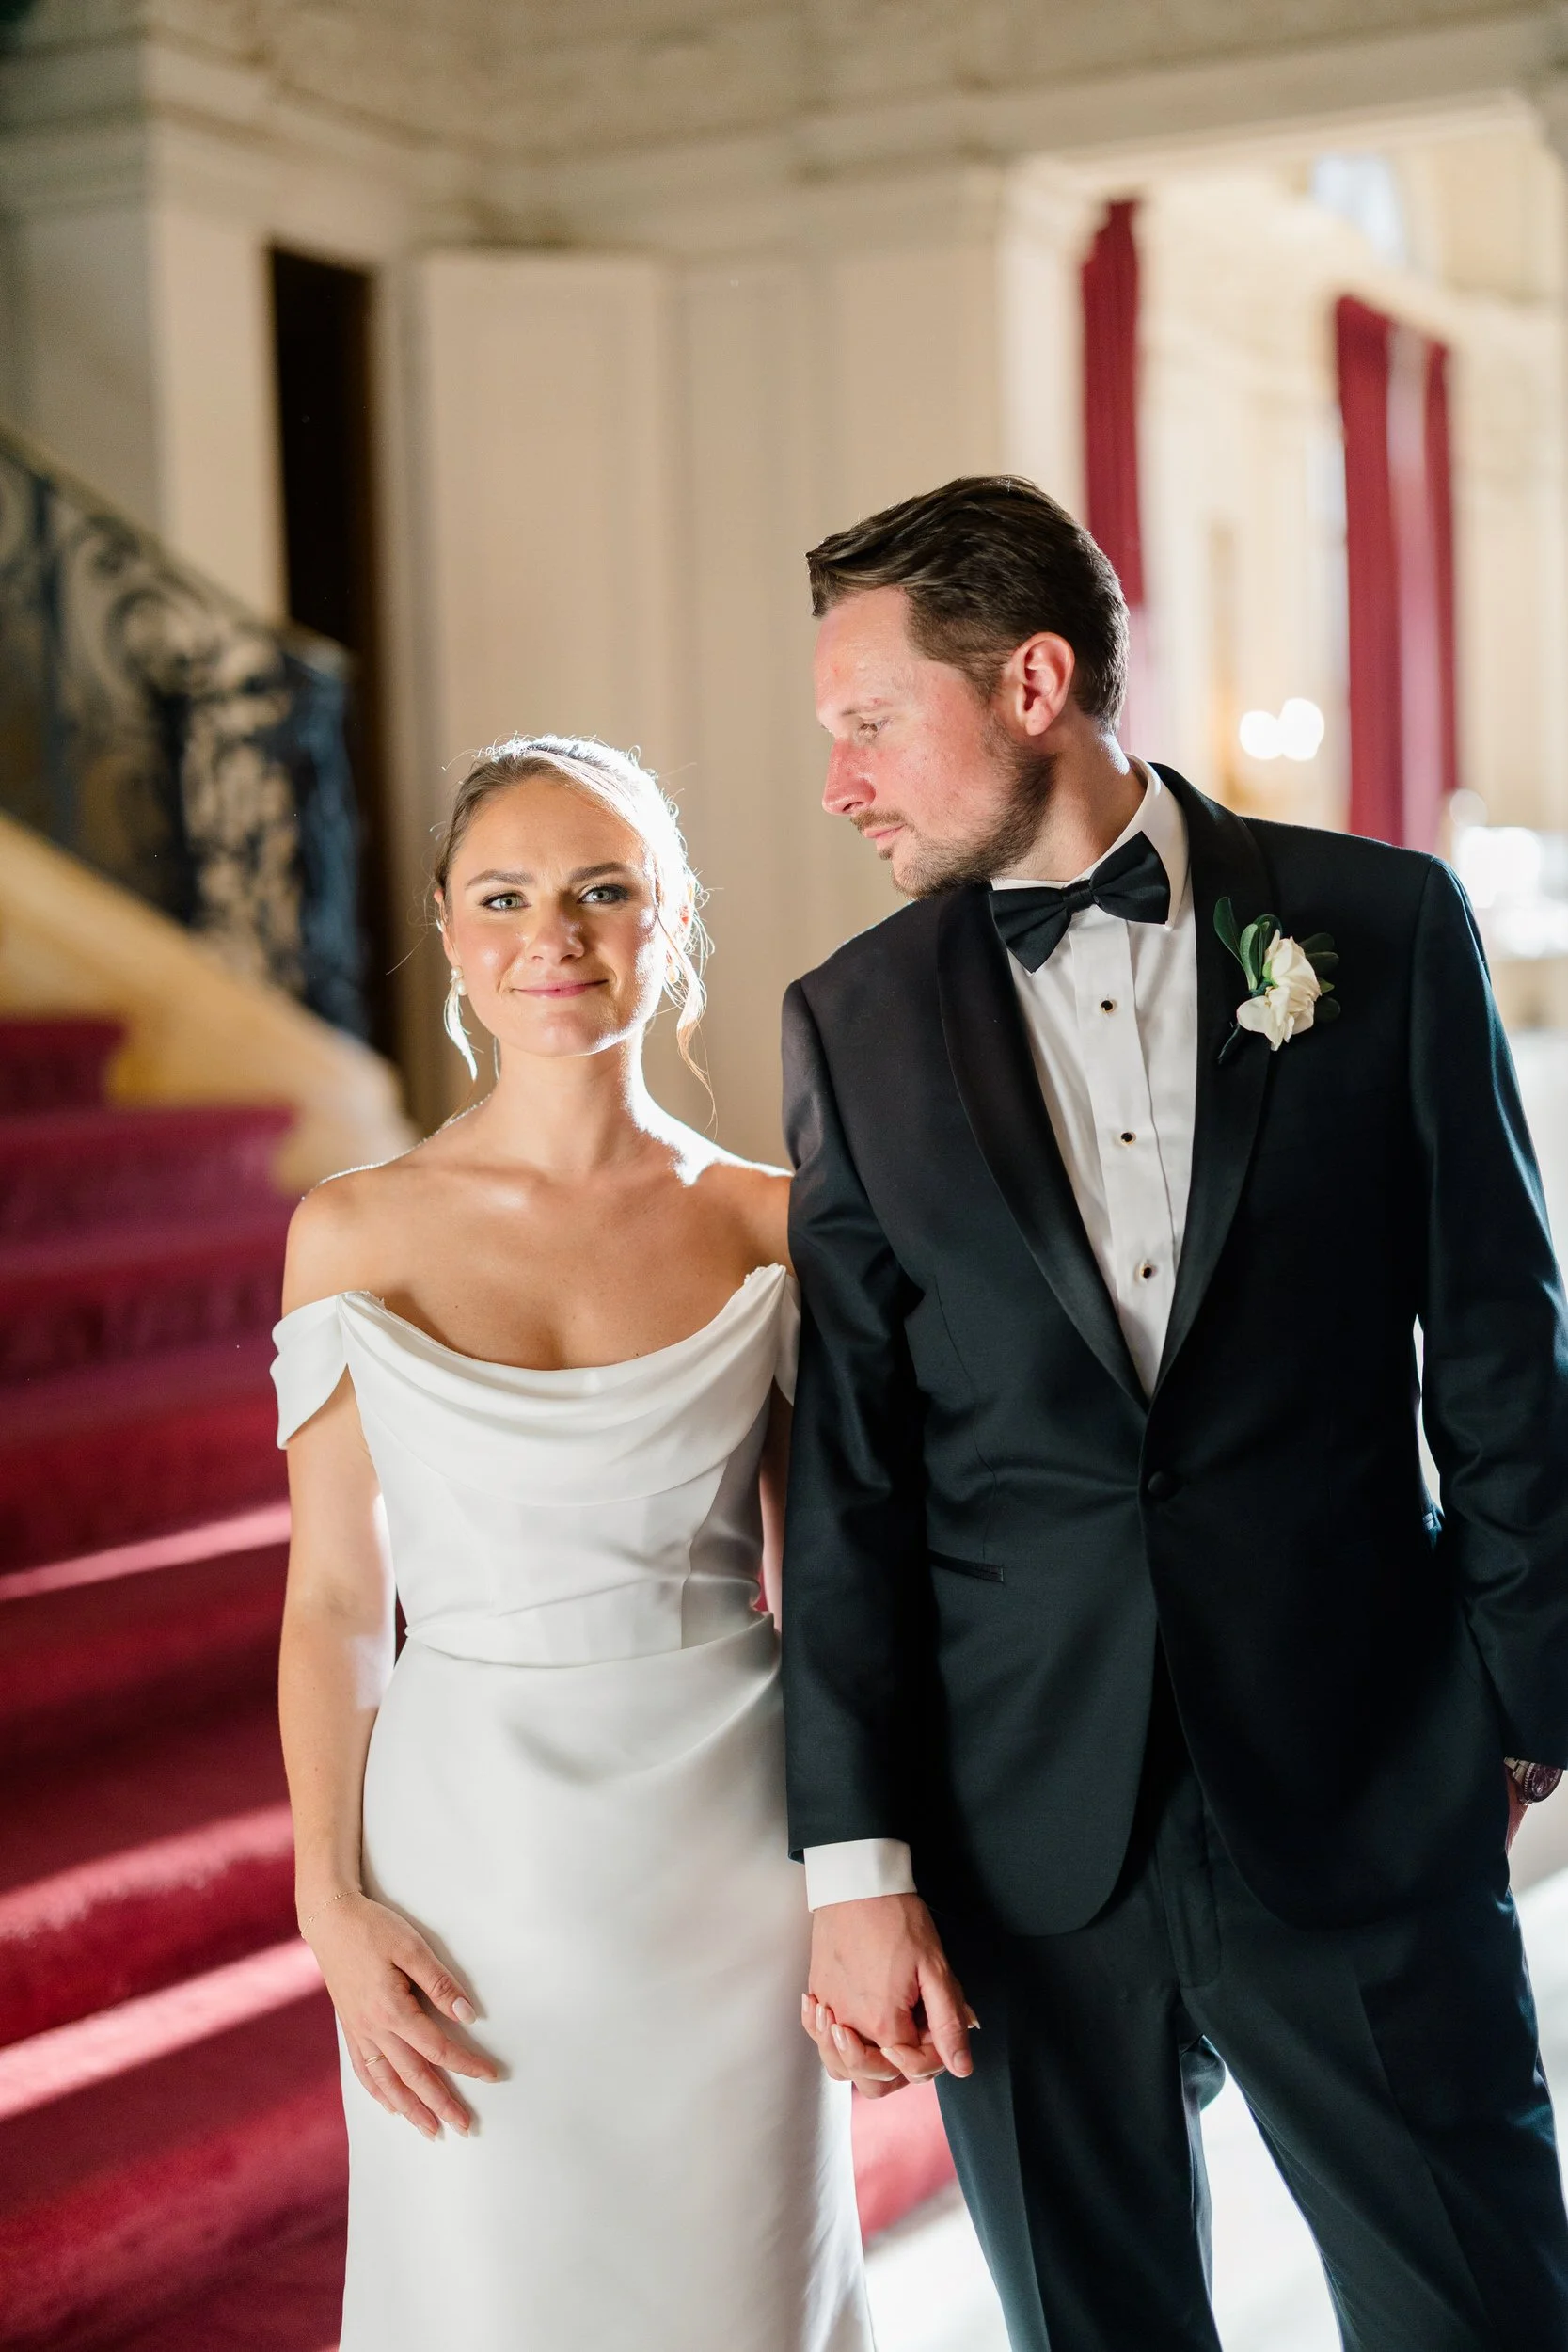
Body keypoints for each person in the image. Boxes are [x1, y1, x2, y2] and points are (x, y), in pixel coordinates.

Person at [782, 476, 1568, 2350]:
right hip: (1011, 1836)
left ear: (1031, 681)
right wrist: (856, 1862)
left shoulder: (1377, 928)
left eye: (869, 723)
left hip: (1360, 1777)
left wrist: (1523, 1700)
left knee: (1478, 2310)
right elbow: (851, 1471)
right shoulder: (850, 1021)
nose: (841, 782)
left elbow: (1496, 1346)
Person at [274, 736, 870, 2352]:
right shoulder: (349, 1230)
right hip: (465, 1862)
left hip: (728, 1862)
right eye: (507, 896)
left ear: (667, 924)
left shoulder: (771, 1218)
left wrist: (861, 1875)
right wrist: (329, 1900)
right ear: (452, 934)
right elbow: (335, 1598)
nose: (558, 934)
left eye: (606, 890)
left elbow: (831, 1583)